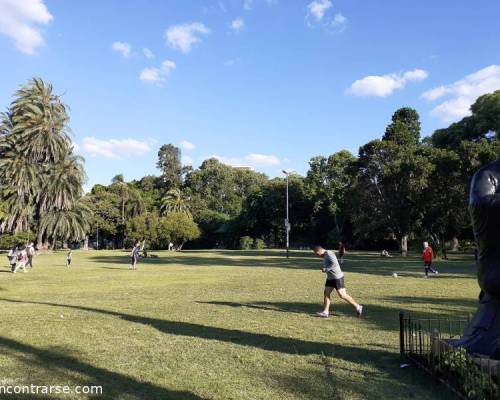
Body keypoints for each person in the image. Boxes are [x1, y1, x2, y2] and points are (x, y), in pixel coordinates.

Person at [313, 246, 363, 317]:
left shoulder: (329, 254)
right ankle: (325, 312)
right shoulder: (325, 255)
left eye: (316, 254)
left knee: (342, 295)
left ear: (319, 251)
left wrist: (326, 269)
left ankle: (358, 307)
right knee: (326, 293)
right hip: (330, 278)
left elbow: (335, 264)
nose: (316, 255)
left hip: (337, 277)